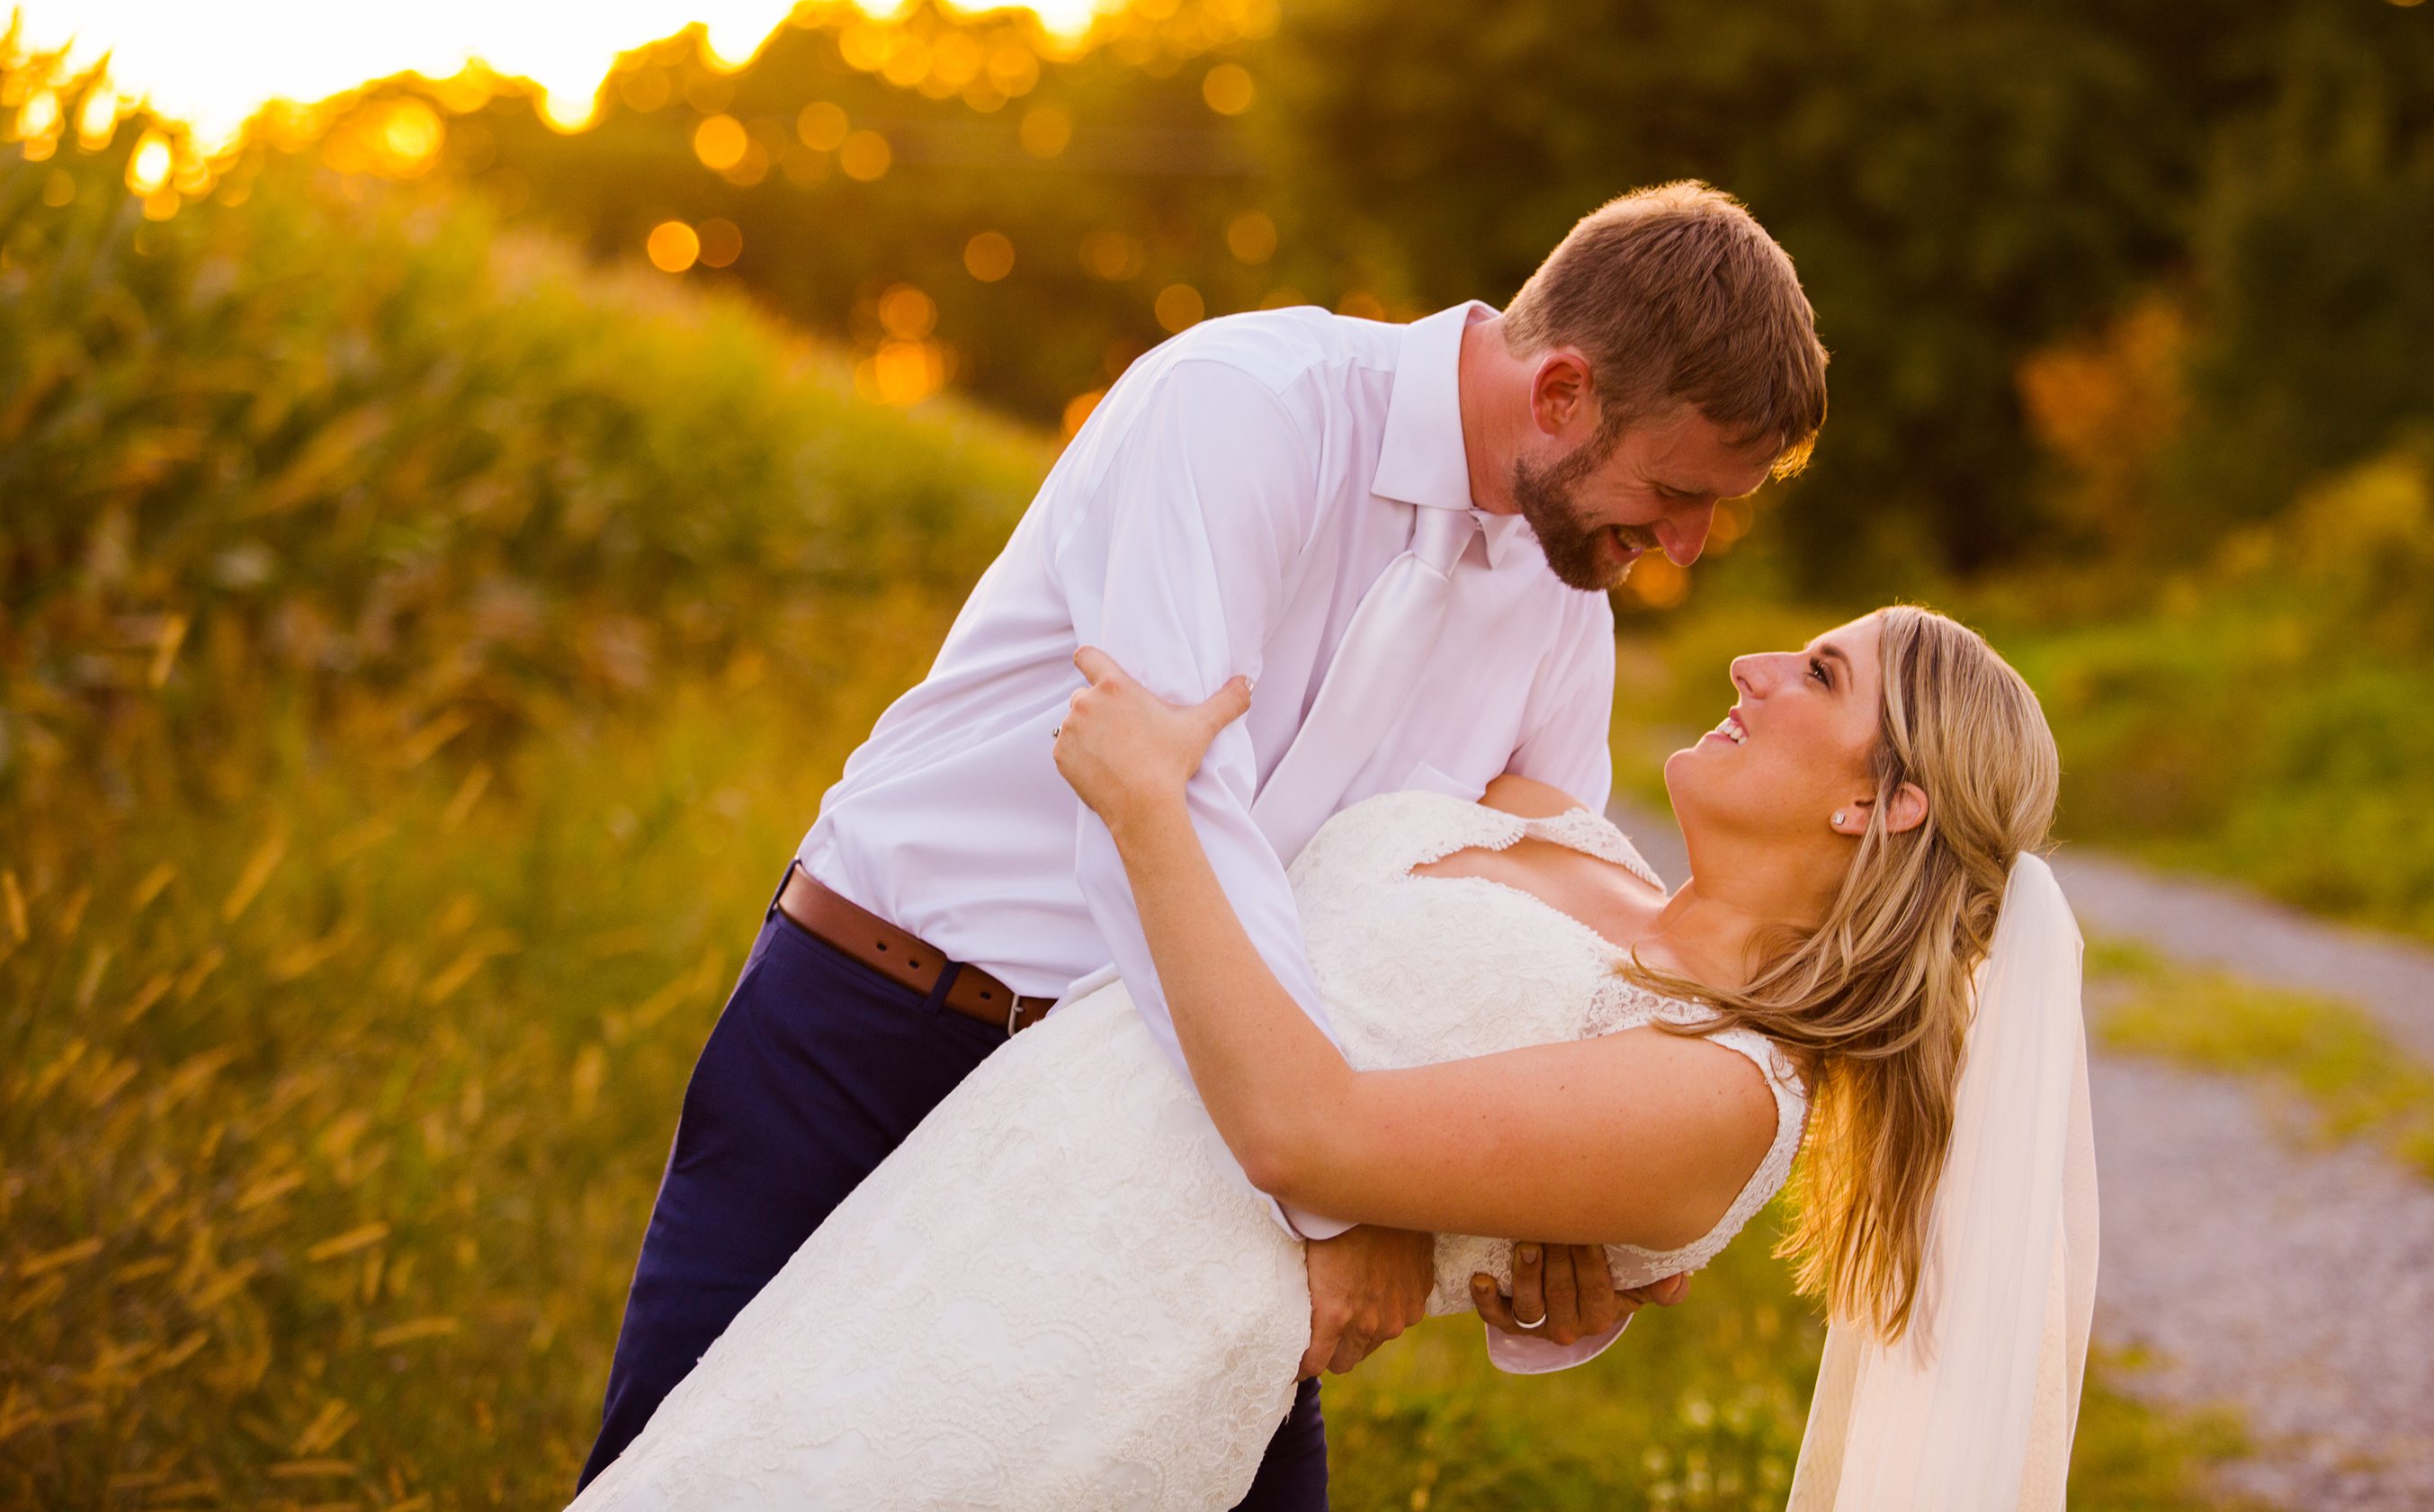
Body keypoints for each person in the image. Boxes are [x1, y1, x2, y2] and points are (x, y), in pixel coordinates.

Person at [576, 181, 1830, 1503]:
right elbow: (1163, 819)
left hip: (1174, 1142)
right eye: (1681, 492)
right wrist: (1338, 1208)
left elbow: (1523, 941)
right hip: (889, 1037)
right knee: (693, 1466)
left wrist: (1560, 1236)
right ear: (1564, 391)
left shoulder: (1566, 611)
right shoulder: (1245, 407)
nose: (1687, 545)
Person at [571, 605, 2092, 1510]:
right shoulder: (1554, 830)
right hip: (956, 1219)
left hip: (1104, 1347)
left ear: (1882, 806)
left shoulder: (1723, 1088)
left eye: (1819, 677)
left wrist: (1150, 813)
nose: (1757, 665)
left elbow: (1309, 1132)